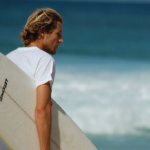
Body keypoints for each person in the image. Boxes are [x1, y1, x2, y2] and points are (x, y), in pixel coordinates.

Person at [6, 8, 63, 150]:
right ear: (43, 31)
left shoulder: (10, 57)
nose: (61, 40)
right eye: (58, 34)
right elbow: (41, 109)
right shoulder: (45, 60)